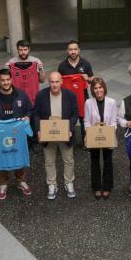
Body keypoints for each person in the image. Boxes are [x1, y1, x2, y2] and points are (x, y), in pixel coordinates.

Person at [0, 69, 34, 200]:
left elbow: (29, 109)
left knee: (18, 153)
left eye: (8, 79)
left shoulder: (21, 95)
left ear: (11, 79)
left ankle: (21, 181)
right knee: (2, 155)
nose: (6, 82)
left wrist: (27, 118)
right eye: (3, 80)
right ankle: (3, 184)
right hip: (1, 133)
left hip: (17, 132)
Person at [33, 72, 79, 200]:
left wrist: (70, 128)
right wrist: (39, 130)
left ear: (61, 82)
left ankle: (68, 182)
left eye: (57, 82)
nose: (54, 85)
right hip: (48, 134)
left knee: (69, 160)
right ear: (49, 82)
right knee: (49, 161)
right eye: (52, 82)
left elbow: (75, 114)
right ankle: (52, 184)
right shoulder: (41, 95)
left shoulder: (70, 95)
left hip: (65, 133)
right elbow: (36, 114)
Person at [83, 77, 117, 200]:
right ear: (92, 90)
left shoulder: (112, 102)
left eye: (100, 87)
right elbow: (86, 121)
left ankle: (107, 186)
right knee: (95, 161)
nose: (98, 90)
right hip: (94, 137)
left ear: (104, 88)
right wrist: (88, 133)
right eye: (95, 88)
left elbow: (114, 121)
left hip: (107, 135)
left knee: (108, 161)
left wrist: (109, 133)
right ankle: (96, 186)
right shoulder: (88, 102)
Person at [58, 40, 94, 145]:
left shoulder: (86, 63)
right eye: (70, 49)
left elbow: (92, 78)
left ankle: (85, 141)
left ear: (79, 50)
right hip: (68, 99)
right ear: (67, 51)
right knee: (69, 121)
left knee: (84, 121)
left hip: (83, 97)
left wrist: (88, 78)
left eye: (75, 49)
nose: (73, 51)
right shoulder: (62, 66)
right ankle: (70, 141)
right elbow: (59, 81)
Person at [6, 39, 45, 104]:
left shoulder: (36, 61)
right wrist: (6, 71)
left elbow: (42, 80)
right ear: (17, 50)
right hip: (16, 97)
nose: (23, 52)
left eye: (25, 50)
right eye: (20, 50)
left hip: (32, 96)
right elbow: (6, 83)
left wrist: (40, 69)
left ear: (29, 49)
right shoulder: (11, 62)